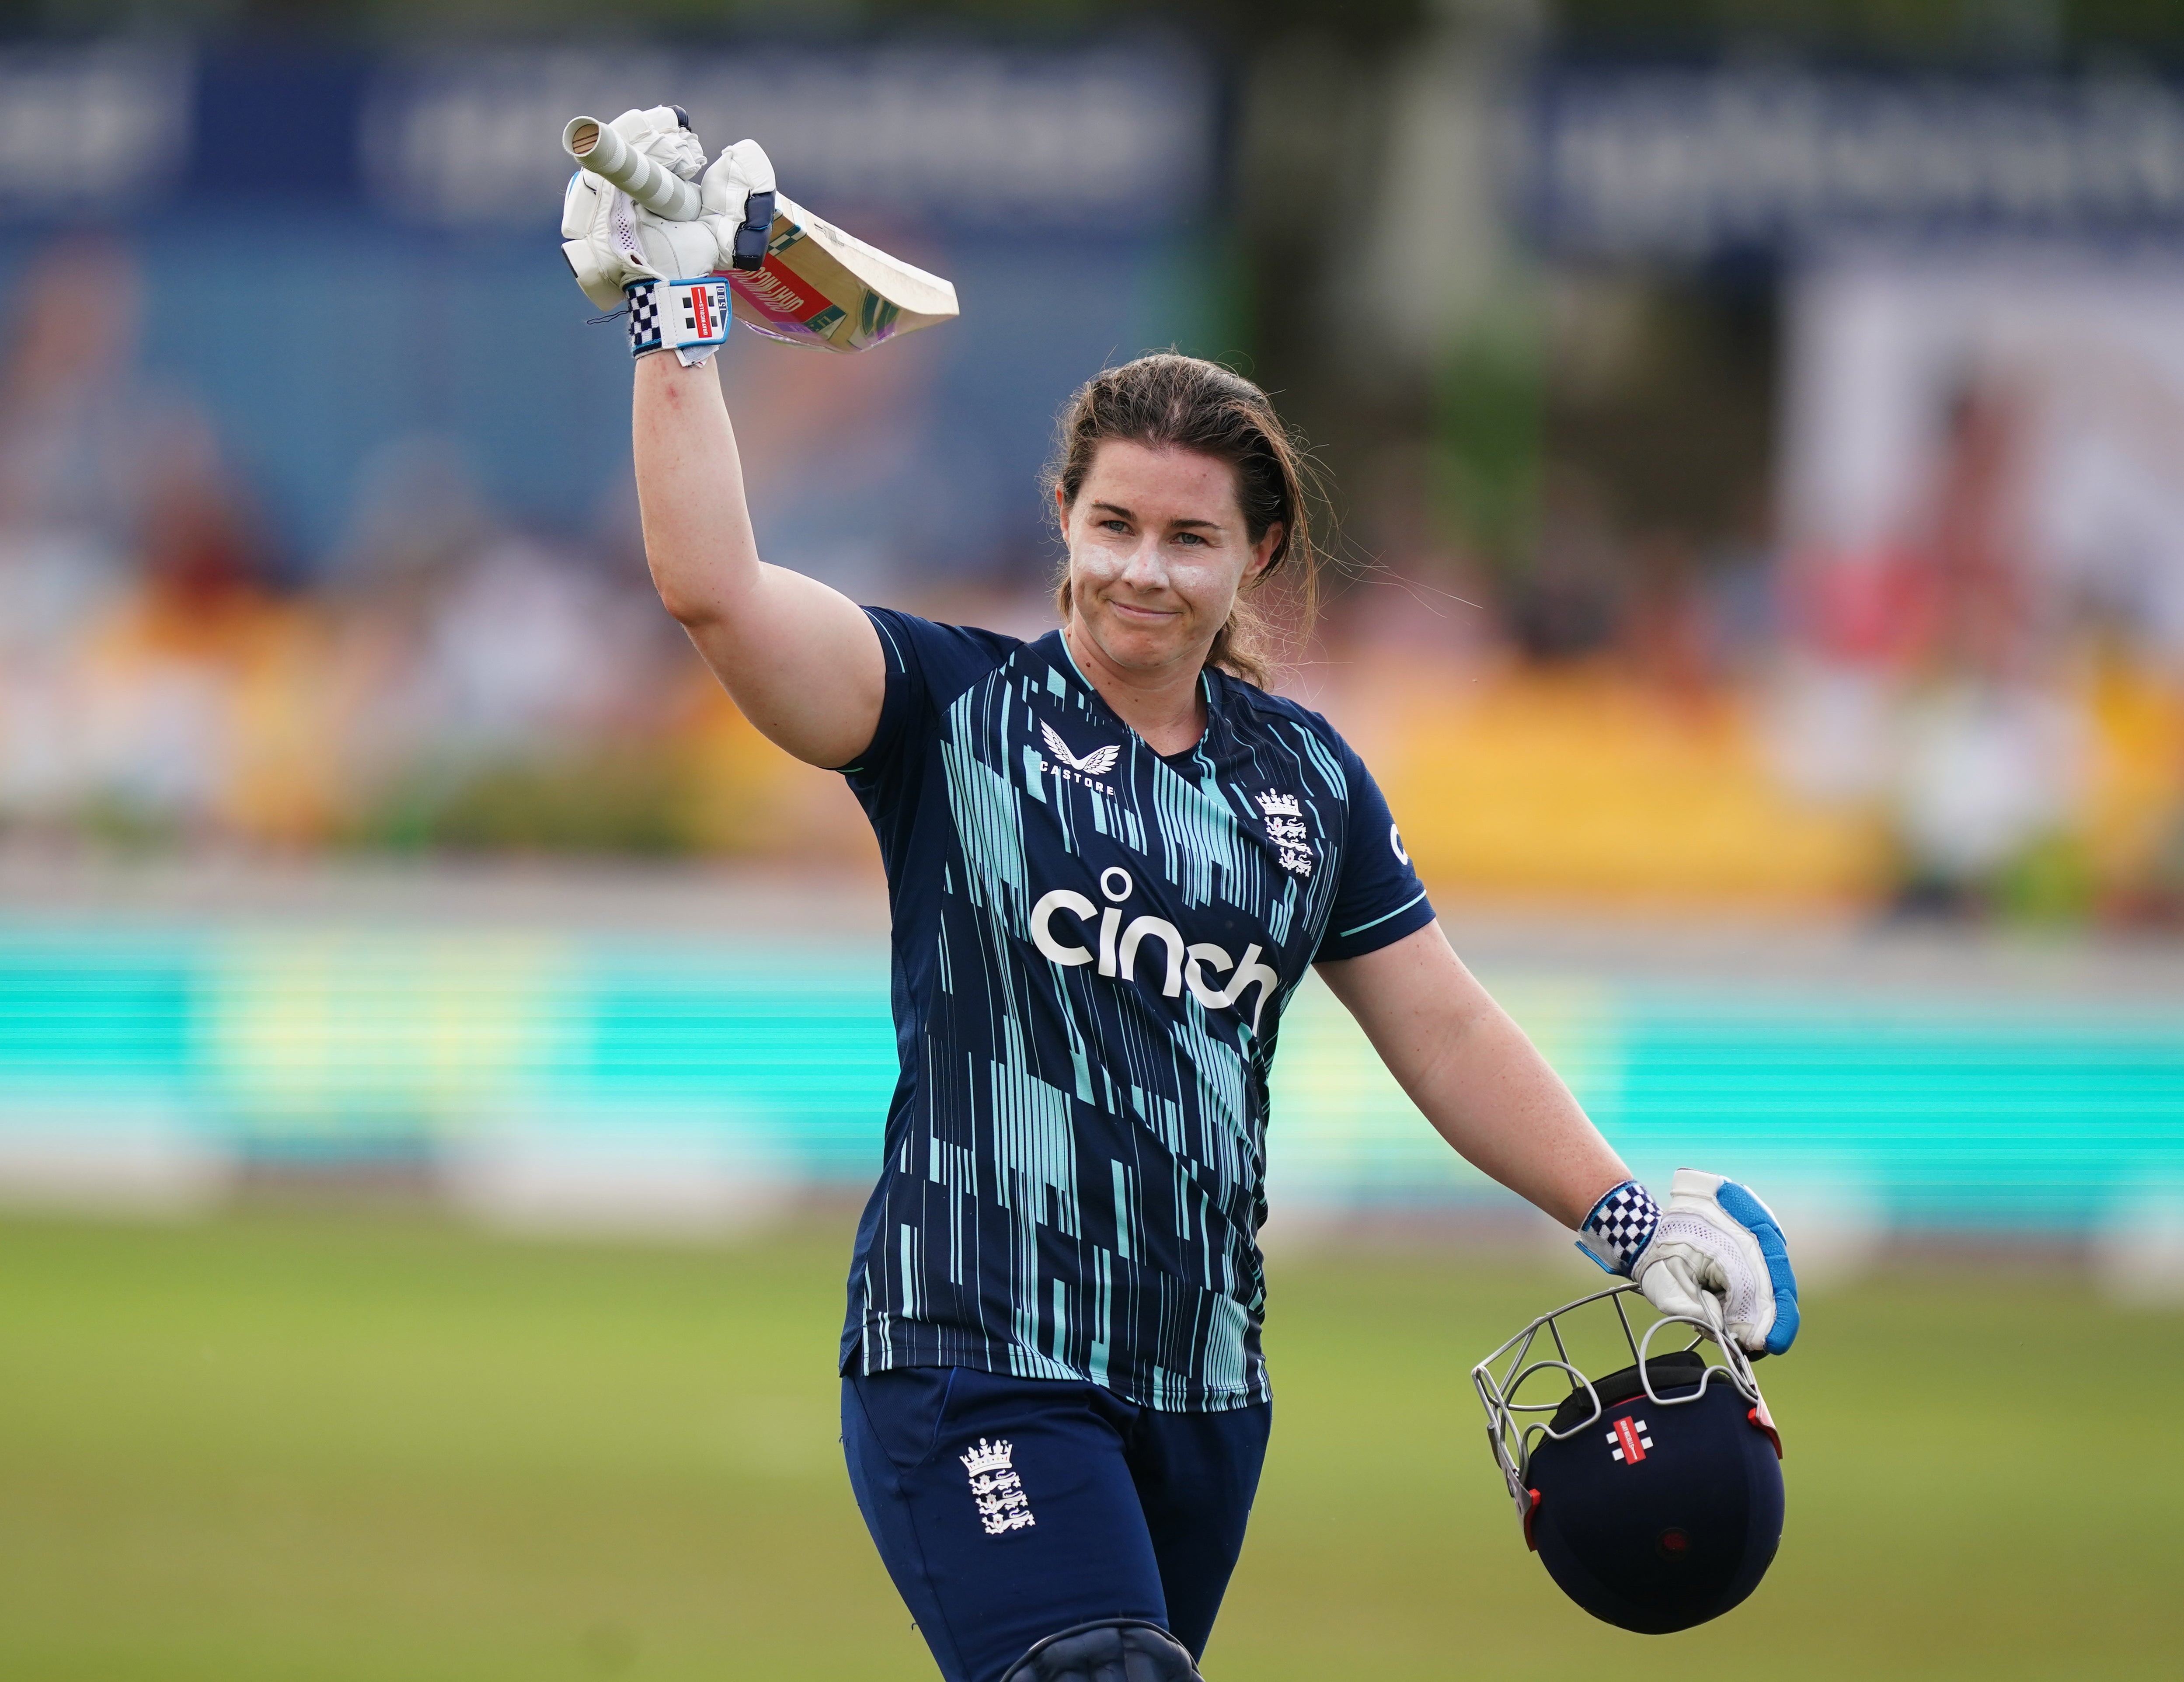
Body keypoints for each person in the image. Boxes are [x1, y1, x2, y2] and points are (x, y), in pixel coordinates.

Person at [568, 108, 1800, 1682]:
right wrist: (680, 320)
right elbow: (712, 589)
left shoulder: (1305, 781)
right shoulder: (948, 710)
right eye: (1113, 527)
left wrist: (1627, 1220)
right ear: (1064, 527)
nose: (1142, 569)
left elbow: (1439, 1026)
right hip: (971, 1354)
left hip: (1201, 1383)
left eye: (1188, 539)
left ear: (1256, 555)